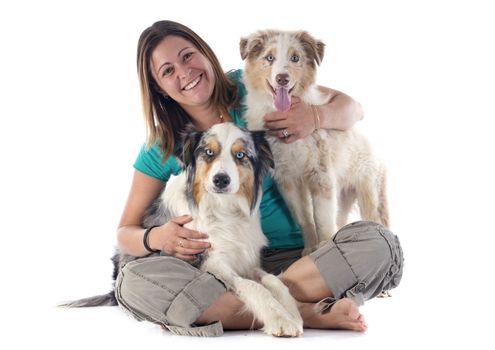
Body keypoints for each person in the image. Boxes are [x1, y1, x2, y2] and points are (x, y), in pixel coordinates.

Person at [115, 20, 404, 337]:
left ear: (205, 53)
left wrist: (315, 116)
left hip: (305, 258)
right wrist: (156, 238)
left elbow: (353, 109)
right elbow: (125, 232)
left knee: (380, 244)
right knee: (132, 283)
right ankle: (305, 311)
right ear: (158, 86)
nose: (184, 73)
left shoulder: (255, 85)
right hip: (224, 259)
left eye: (187, 56)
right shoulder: (164, 142)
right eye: (167, 71)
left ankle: (251, 303)